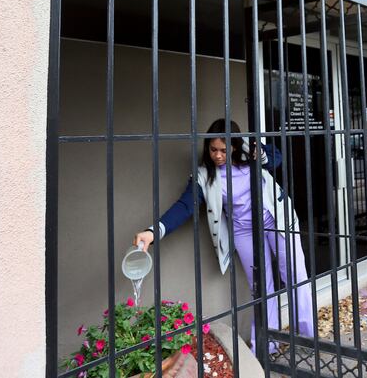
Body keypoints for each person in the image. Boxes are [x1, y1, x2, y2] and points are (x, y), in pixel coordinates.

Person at [133, 118, 315, 351]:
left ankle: (308, 337)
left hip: (275, 219)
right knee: (261, 285)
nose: (217, 155)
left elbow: (276, 159)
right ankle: (266, 345)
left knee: (294, 273)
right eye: (212, 150)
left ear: (234, 146)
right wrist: (153, 232)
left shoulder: (250, 154)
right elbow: (184, 207)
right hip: (243, 230)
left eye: (222, 149)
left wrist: (255, 149)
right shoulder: (204, 176)